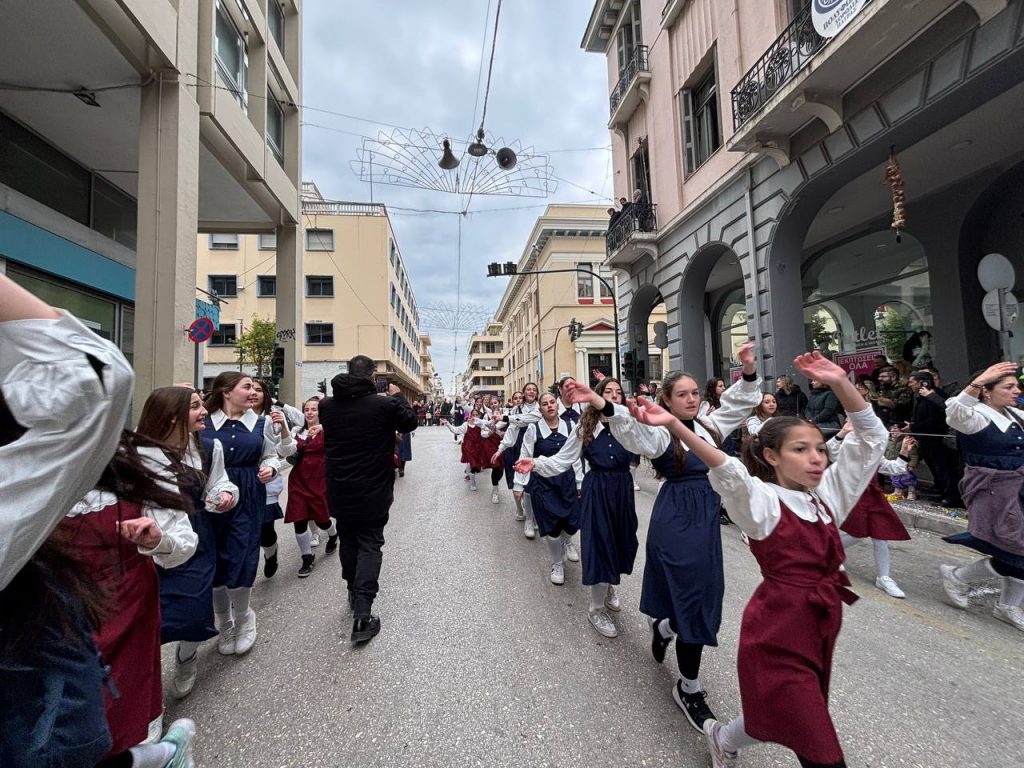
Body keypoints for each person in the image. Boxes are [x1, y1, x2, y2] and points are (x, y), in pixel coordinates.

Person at [630, 351, 888, 768]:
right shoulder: (762, 501)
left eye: (821, 448)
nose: (817, 457)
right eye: (801, 449)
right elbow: (728, 470)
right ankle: (689, 682)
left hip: (821, 623)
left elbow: (872, 441)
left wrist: (842, 382)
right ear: (771, 457)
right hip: (775, 627)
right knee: (815, 738)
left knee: (790, 709)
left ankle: (723, 736)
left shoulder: (828, 499)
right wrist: (674, 426)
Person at [0, 273, 197, 768]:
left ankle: (156, 745)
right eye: (191, 404)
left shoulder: (137, 459)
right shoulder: (95, 456)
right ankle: (159, 755)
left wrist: (157, 540)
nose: (200, 410)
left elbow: (94, 378)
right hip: (64, 616)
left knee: (110, 711)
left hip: (119, 604)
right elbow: (94, 377)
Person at [604, 344, 762, 733]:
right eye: (682, 394)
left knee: (705, 594)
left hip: (706, 519)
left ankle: (665, 628)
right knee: (692, 596)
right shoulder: (659, 434)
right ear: (667, 401)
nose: (691, 399)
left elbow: (738, 405)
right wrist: (604, 403)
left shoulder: (710, 424)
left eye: (695, 393)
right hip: (676, 520)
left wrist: (748, 370)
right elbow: (629, 430)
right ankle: (689, 686)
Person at [59, 422, 200, 756]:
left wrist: (156, 539)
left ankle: (149, 754)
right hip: (55, 609)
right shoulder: (26, 469)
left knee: (126, 704)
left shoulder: (137, 463)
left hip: (127, 602)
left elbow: (183, 542)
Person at [138, 387, 237, 702]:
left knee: (193, 612)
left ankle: (186, 657)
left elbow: (219, 480)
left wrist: (224, 495)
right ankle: (145, 691)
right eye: (195, 406)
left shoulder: (208, 447)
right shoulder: (139, 456)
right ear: (172, 417)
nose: (205, 410)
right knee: (147, 623)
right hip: (144, 544)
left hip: (195, 538)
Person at [518, 378, 637, 637]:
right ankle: (595, 609)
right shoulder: (587, 424)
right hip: (598, 489)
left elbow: (654, 445)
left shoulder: (628, 420)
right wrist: (536, 464)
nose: (614, 396)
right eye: (608, 392)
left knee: (620, 542)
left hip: (623, 491)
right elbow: (564, 459)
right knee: (601, 543)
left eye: (618, 392)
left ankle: (607, 586)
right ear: (597, 396)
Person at [318, 356, 418, 643]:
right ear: (373, 376)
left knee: (349, 539)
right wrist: (399, 399)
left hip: (338, 485)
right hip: (374, 485)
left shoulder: (327, 405)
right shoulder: (384, 404)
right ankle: (363, 612)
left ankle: (352, 589)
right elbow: (409, 423)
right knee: (371, 542)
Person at [203, 372, 292, 657]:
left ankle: (243, 616)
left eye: (255, 387)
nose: (253, 392)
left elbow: (271, 454)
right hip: (209, 495)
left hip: (248, 493)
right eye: (247, 387)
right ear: (226, 392)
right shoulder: (203, 422)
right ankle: (224, 622)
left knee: (241, 554)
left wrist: (272, 468)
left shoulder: (261, 423)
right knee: (214, 559)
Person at [940, 361, 1024, 633]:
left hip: (1018, 490)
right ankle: (958, 576)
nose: (1016, 390)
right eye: (1008, 386)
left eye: (1016, 386)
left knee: (1015, 549)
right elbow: (953, 411)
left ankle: (1007, 605)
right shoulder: (975, 416)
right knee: (1013, 548)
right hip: (993, 491)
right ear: (987, 391)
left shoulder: (1016, 415)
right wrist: (980, 379)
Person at [828, 419, 915, 599]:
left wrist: (904, 451)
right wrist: (843, 432)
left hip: (873, 496)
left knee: (880, 535)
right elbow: (830, 450)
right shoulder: (846, 449)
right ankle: (827, 550)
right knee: (857, 533)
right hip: (852, 496)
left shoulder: (874, 451)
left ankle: (884, 577)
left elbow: (895, 468)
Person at [513, 392, 583, 586]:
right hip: (543, 484)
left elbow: (575, 458)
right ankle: (557, 563)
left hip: (566, 483)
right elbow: (524, 456)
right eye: (545, 404)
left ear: (558, 405)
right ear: (540, 409)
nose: (550, 406)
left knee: (572, 522)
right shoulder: (533, 429)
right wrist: (519, 484)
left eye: (552, 402)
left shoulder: (570, 426)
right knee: (551, 527)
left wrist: (579, 483)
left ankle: (567, 541)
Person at [286, 397, 339, 578]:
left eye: (314, 409)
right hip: (298, 480)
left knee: (322, 519)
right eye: (306, 409)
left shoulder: (329, 431)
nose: (309, 412)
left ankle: (333, 534)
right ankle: (307, 557)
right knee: (298, 518)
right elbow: (286, 452)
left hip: (319, 479)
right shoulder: (296, 431)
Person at [249, 378, 296, 579]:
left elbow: (286, 450)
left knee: (265, 530)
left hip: (266, 480)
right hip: (238, 482)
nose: (253, 393)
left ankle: (271, 553)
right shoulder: (231, 417)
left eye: (258, 390)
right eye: (249, 388)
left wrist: (283, 426)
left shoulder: (272, 418)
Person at [907, 370, 961, 506]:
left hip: (938, 440)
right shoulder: (919, 397)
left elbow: (936, 419)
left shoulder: (934, 395)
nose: (910, 385)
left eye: (912, 382)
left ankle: (951, 497)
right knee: (937, 469)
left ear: (921, 383)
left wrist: (914, 427)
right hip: (926, 439)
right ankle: (942, 491)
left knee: (945, 469)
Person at [494, 384, 541, 529]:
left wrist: (507, 417)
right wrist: (501, 448)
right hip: (518, 445)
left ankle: (533, 515)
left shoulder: (541, 407)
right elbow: (511, 430)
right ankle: (520, 510)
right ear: (524, 392)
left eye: (534, 389)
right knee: (517, 483)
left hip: (538, 444)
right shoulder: (516, 409)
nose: (531, 391)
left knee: (535, 482)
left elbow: (528, 419)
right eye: (528, 389)